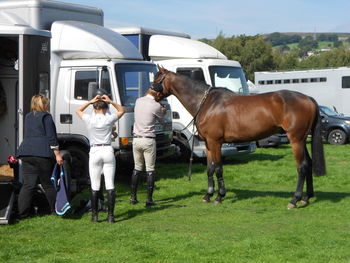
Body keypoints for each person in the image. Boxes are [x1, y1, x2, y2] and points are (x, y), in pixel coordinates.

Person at [76, 94, 125, 223]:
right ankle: (111, 216)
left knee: (95, 185)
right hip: (107, 150)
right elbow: (122, 110)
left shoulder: (89, 119)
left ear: (94, 108)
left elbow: (78, 110)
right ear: (105, 108)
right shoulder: (108, 119)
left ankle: (95, 216)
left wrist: (90, 101)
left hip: (95, 151)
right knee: (110, 184)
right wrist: (111, 101)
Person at [17, 94, 63, 219]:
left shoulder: (27, 116)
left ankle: (23, 214)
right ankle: (55, 210)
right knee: (47, 184)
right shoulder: (46, 117)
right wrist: (58, 154)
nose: (48, 105)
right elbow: (51, 137)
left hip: (26, 152)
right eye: (46, 103)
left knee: (28, 185)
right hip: (42, 153)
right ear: (43, 104)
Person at [130, 84, 166, 206]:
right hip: (148, 139)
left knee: (137, 168)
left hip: (136, 139)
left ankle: (133, 197)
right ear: (157, 94)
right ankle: (149, 199)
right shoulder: (156, 106)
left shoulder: (138, 101)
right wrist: (163, 112)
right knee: (150, 169)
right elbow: (162, 122)